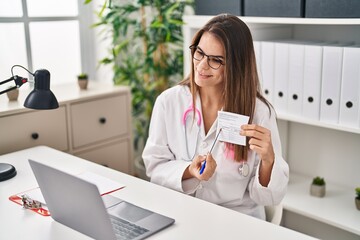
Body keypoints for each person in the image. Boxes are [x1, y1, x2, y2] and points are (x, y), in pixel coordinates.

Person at [142, 13, 289, 220]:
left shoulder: (260, 113)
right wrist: (189, 171)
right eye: (199, 53)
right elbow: (155, 166)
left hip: (237, 219)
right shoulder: (169, 102)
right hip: (182, 213)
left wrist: (268, 160)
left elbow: (267, 197)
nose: (201, 66)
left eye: (215, 60)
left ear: (236, 66)